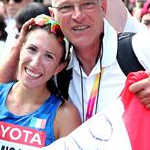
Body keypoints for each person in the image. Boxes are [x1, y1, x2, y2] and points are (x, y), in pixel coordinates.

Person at [1, 0, 150, 122]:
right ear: (54, 15)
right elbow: (4, 88)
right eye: (66, 7)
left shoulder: (138, 47)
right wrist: (20, 44)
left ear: (103, 7)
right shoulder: (59, 68)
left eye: (88, 4)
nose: (78, 16)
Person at [0, 14, 81, 149]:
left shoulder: (64, 116)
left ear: (59, 67)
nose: (35, 63)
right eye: (32, 49)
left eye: (48, 56)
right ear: (21, 48)